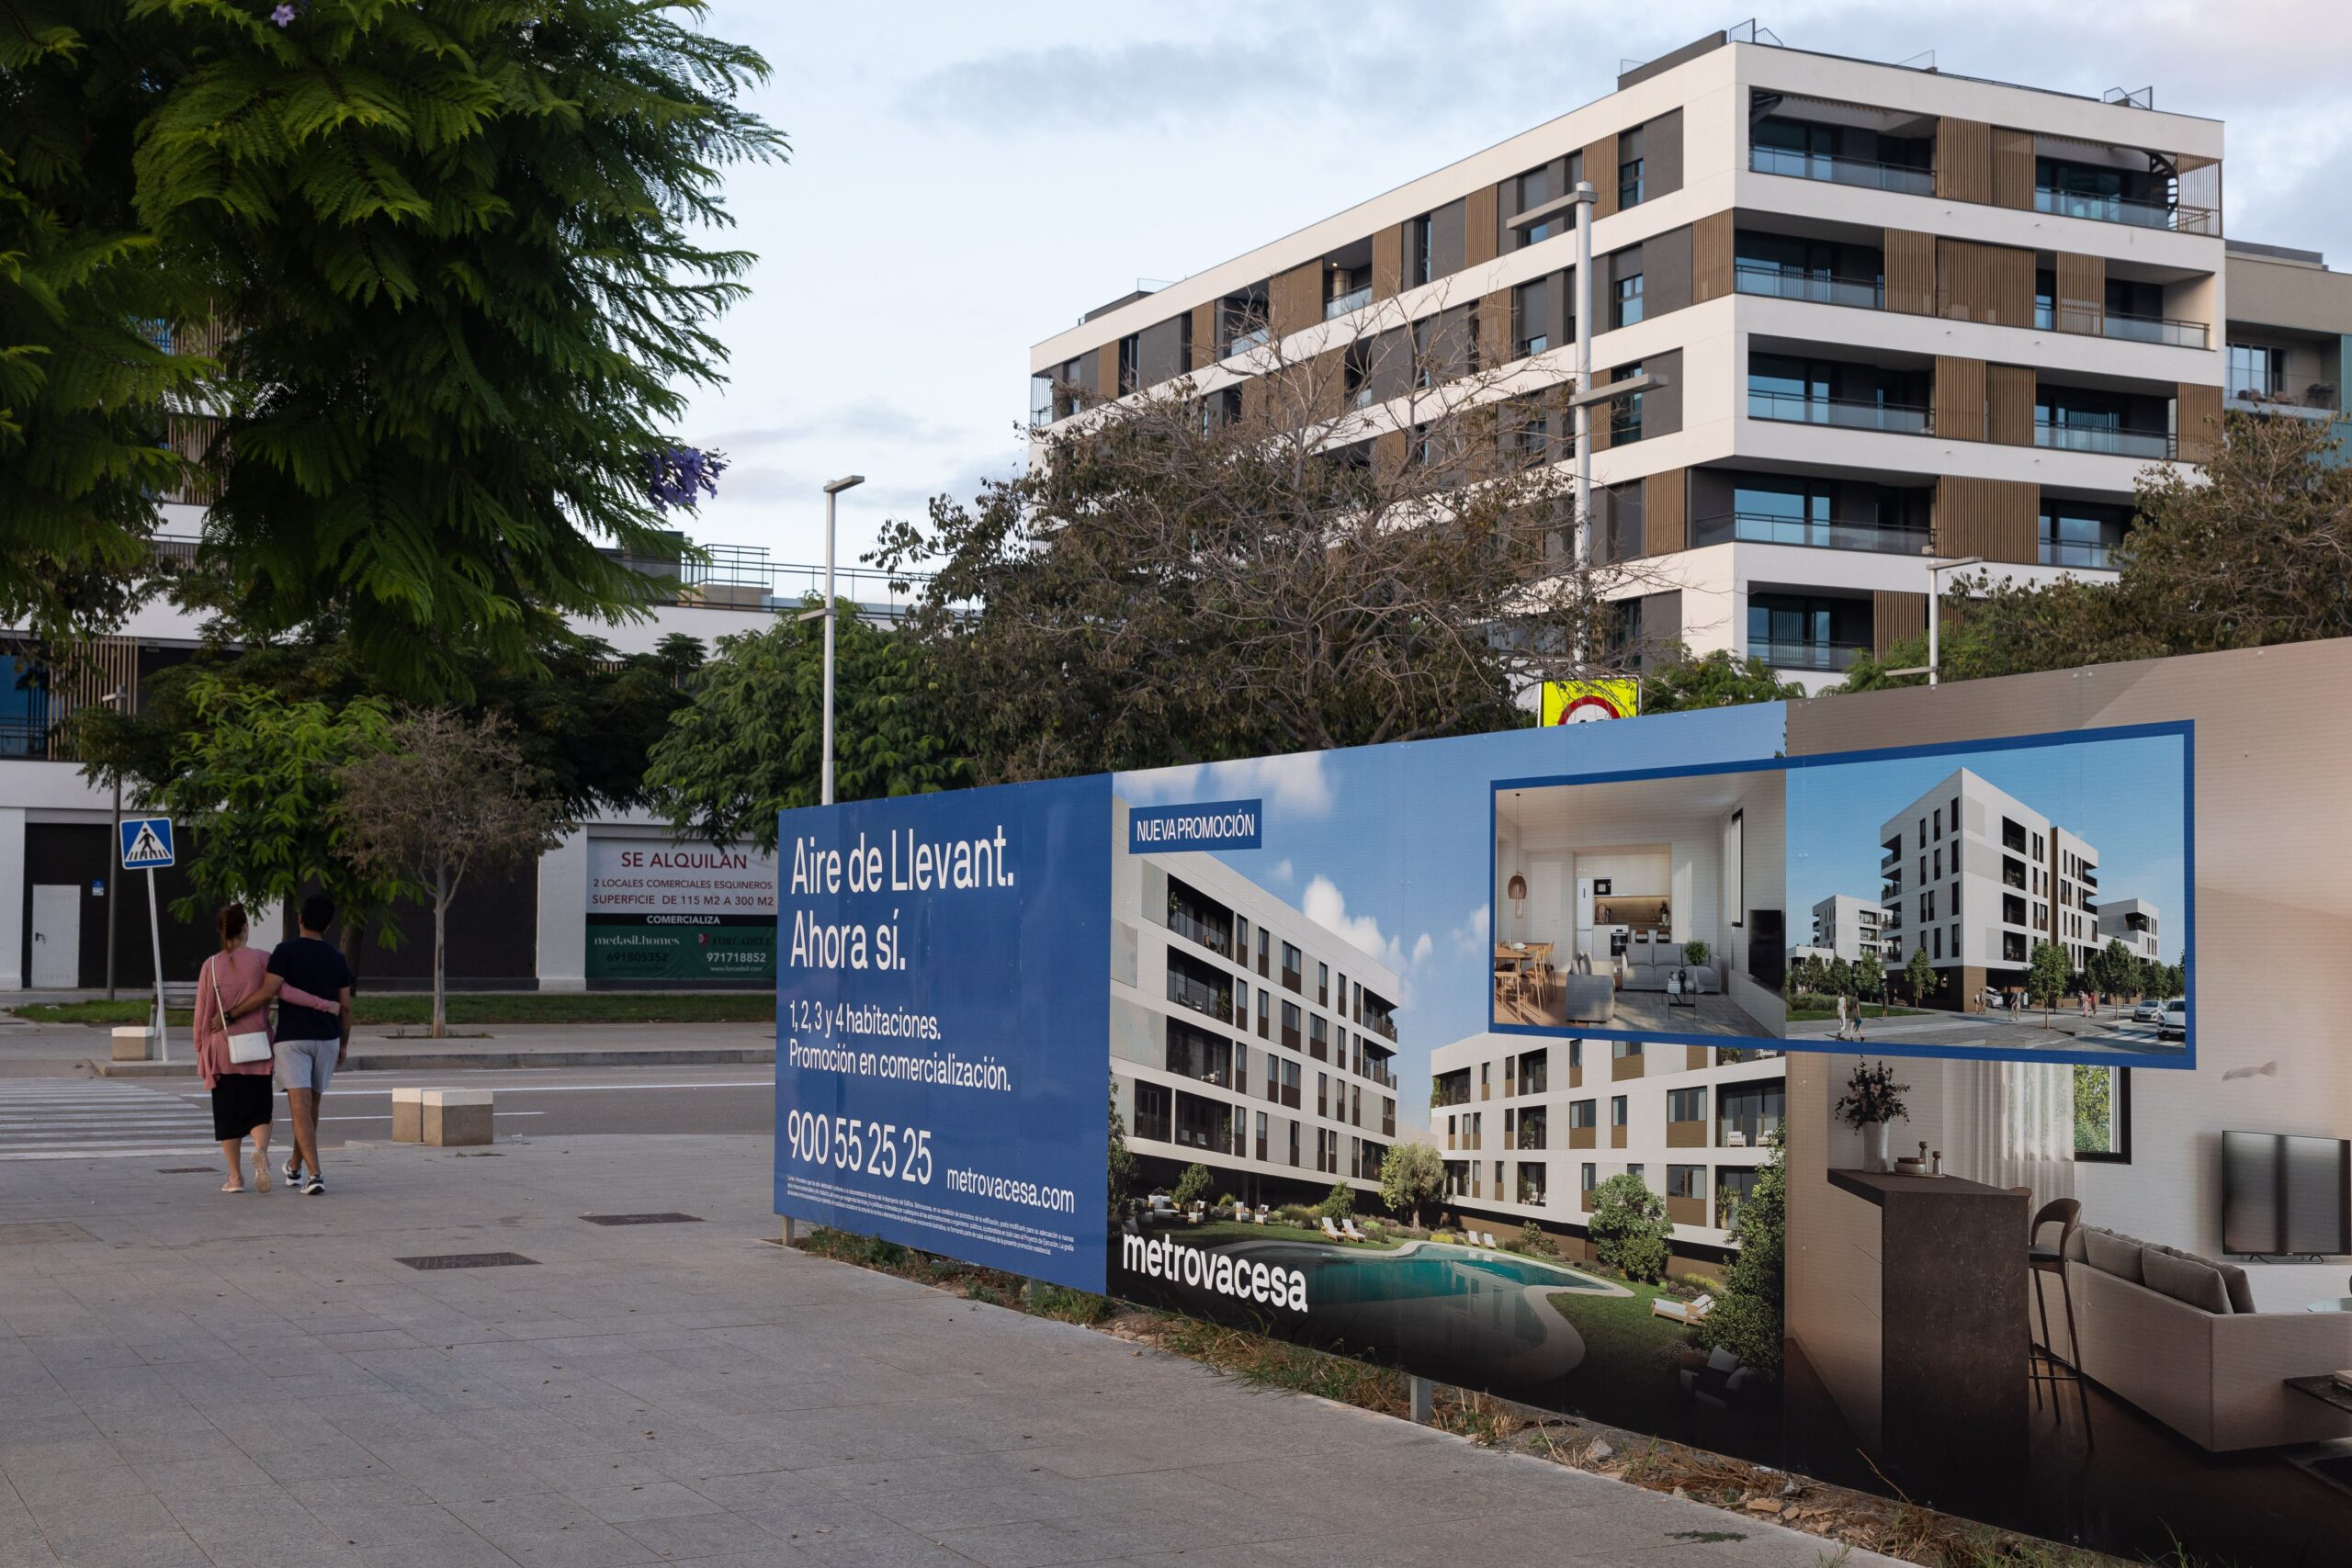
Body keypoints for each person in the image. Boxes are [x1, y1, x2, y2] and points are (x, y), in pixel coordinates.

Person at [192, 905, 338, 1193]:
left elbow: (202, 1014)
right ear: (245, 927)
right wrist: (324, 1004)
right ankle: (260, 1150)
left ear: (221, 932)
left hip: (222, 1051)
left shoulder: (210, 965)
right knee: (259, 1111)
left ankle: (235, 1177)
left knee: (227, 1115)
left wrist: (201, 1050)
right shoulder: (262, 959)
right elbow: (284, 992)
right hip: (257, 1047)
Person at [228, 893, 355, 1195]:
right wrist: (344, 1044)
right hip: (327, 1039)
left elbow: (266, 993)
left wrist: (232, 1015)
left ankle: (314, 1174)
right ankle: (296, 1168)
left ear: (300, 920)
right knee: (311, 1109)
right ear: (327, 925)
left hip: (293, 1041)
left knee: (301, 1108)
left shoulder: (285, 951)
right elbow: (346, 1007)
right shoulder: (337, 958)